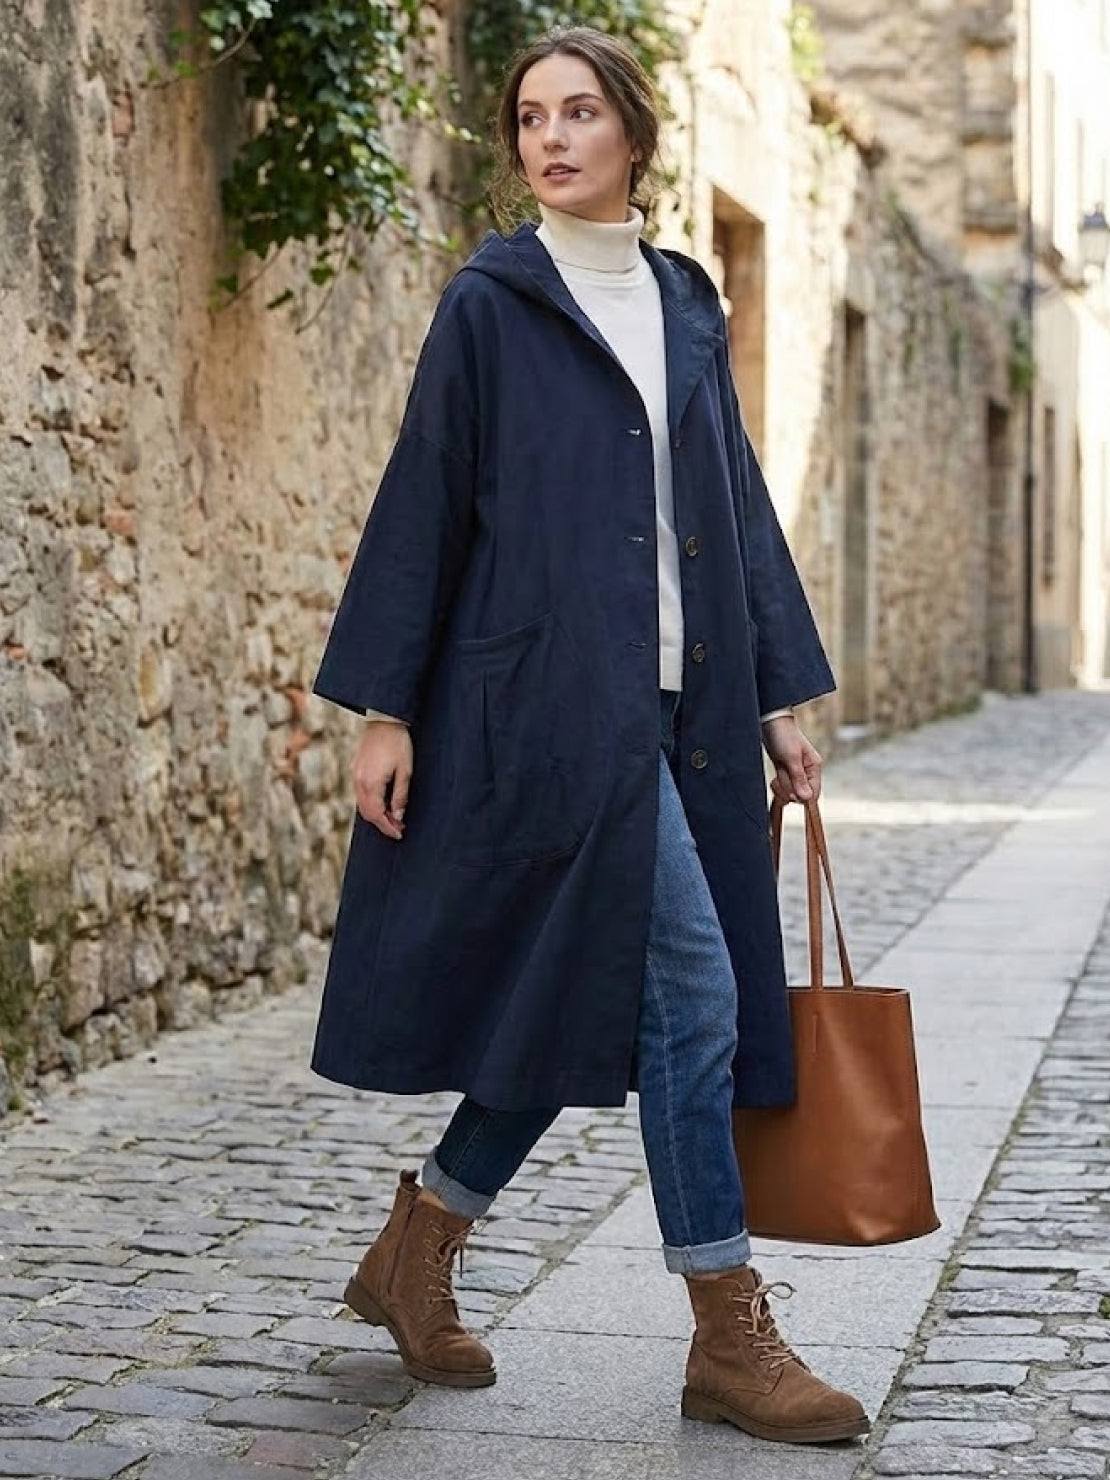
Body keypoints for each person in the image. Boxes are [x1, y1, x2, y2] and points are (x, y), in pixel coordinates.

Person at [309, 24, 869, 1446]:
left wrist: (775, 703)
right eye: (526, 117)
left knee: (572, 996)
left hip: (682, 719)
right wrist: (387, 706)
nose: (549, 137)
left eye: (576, 112)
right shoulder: (491, 304)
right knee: (688, 988)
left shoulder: (684, 301)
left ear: (632, 129)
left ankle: (420, 1244)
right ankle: (724, 1327)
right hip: (541, 713)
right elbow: (428, 496)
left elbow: (731, 503)